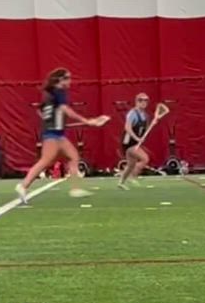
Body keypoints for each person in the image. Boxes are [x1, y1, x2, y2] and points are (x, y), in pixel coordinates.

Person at [15, 68, 106, 204]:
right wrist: (87, 121)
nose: (70, 81)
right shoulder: (59, 92)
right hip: (53, 134)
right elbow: (66, 110)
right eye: (68, 78)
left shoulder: (49, 93)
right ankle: (23, 186)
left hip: (57, 133)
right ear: (60, 80)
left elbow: (40, 111)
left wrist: (52, 121)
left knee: (73, 156)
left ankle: (75, 189)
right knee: (45, 161)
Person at [118, 93, 151, 188]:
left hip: (135, 143)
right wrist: (137, 138)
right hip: (129, 143)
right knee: (145, 159)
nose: (143, 102)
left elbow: (143, 129)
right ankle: (132, 176)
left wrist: (143, 136)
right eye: (141, 100)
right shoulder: (132, 113)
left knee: (131, 165)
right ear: (136, 102)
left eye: (145, 100)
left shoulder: (145, 115)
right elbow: (127, 127)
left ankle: (121, 183)